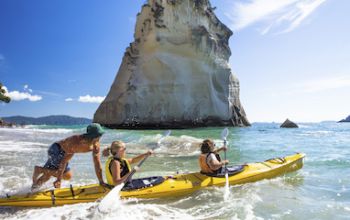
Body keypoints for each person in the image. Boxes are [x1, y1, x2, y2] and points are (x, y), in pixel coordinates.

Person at [32, 123, 106, 189]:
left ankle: (33, 189)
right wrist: (59, 180)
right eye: (99, 135)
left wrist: (101, 181)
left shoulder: (96, 145)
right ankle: (39, 170)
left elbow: (97, 164)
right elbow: (64, 161)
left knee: (48, 175)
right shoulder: (76, 142)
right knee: (67, 176)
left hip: (62, 151)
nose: (100, 137)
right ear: (93, 136)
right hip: (57, 150)